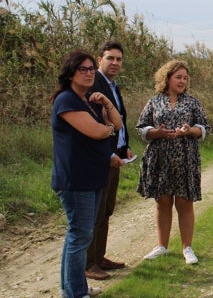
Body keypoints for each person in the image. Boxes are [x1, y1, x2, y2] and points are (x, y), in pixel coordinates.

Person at [51, 49, 122, 298]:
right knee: (80, 235)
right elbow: (97, 131)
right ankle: (75, 292)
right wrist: (108, 126)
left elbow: (117, 124)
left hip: (92, 176)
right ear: (71, 73)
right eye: (83, 69)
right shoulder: (67, 100)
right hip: (75, 178)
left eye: (92, 69)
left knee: (79, 235)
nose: (89, 73)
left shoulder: (88, 99)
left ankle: (69, 288)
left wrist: (107, 104)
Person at [136, 60, 211, 265]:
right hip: (160, 157)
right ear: (167, 78)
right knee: (163, 202)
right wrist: (156, 132)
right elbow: (141, 127)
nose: (182, 81)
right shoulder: (154, 102)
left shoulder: (192, 102)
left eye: (185, 78)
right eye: (178, 77)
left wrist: (190, 130)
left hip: (185, 156)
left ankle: (187, 247)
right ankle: (162, 246)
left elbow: (204, 127)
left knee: (185, 203)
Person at [85, 40, 134, 280]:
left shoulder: (112, 85)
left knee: (106, 210)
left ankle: (99, 256)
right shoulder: (93, 84)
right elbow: (92, 124)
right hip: (99, 159)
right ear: (99, 59)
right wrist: (109, 153)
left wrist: (124, 148)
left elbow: (118, 120)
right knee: (95, 212)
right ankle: (88, 263)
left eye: (119, 59)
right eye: (110, 58)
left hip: (115, 156)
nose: (115, 63)